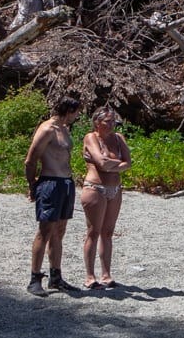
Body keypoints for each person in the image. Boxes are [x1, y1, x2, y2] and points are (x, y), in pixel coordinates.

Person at [26, 96, 82, 296]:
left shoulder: (64, 129)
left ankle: (56, 276)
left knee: (59, 230)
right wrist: (33, 185)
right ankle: (34, 278)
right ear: (69, 110)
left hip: (65, 183)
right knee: (45, 230)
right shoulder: (47, 129)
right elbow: (30, 159)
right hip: (50, 182)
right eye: (76, 113)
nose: (77, 117)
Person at [78, 106, 132, 290]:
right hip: (95, 188)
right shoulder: (91, 138)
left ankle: (106, 274)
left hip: (115, 189)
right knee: (93, 231)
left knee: (108, 233)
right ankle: (89, 276)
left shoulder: (119, 139)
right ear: (97, 122)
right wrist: (117, 164)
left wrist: (111, 165)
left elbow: (128, 163)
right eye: (107, 121)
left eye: (113, 121)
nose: (111, 124)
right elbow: (101, 163)